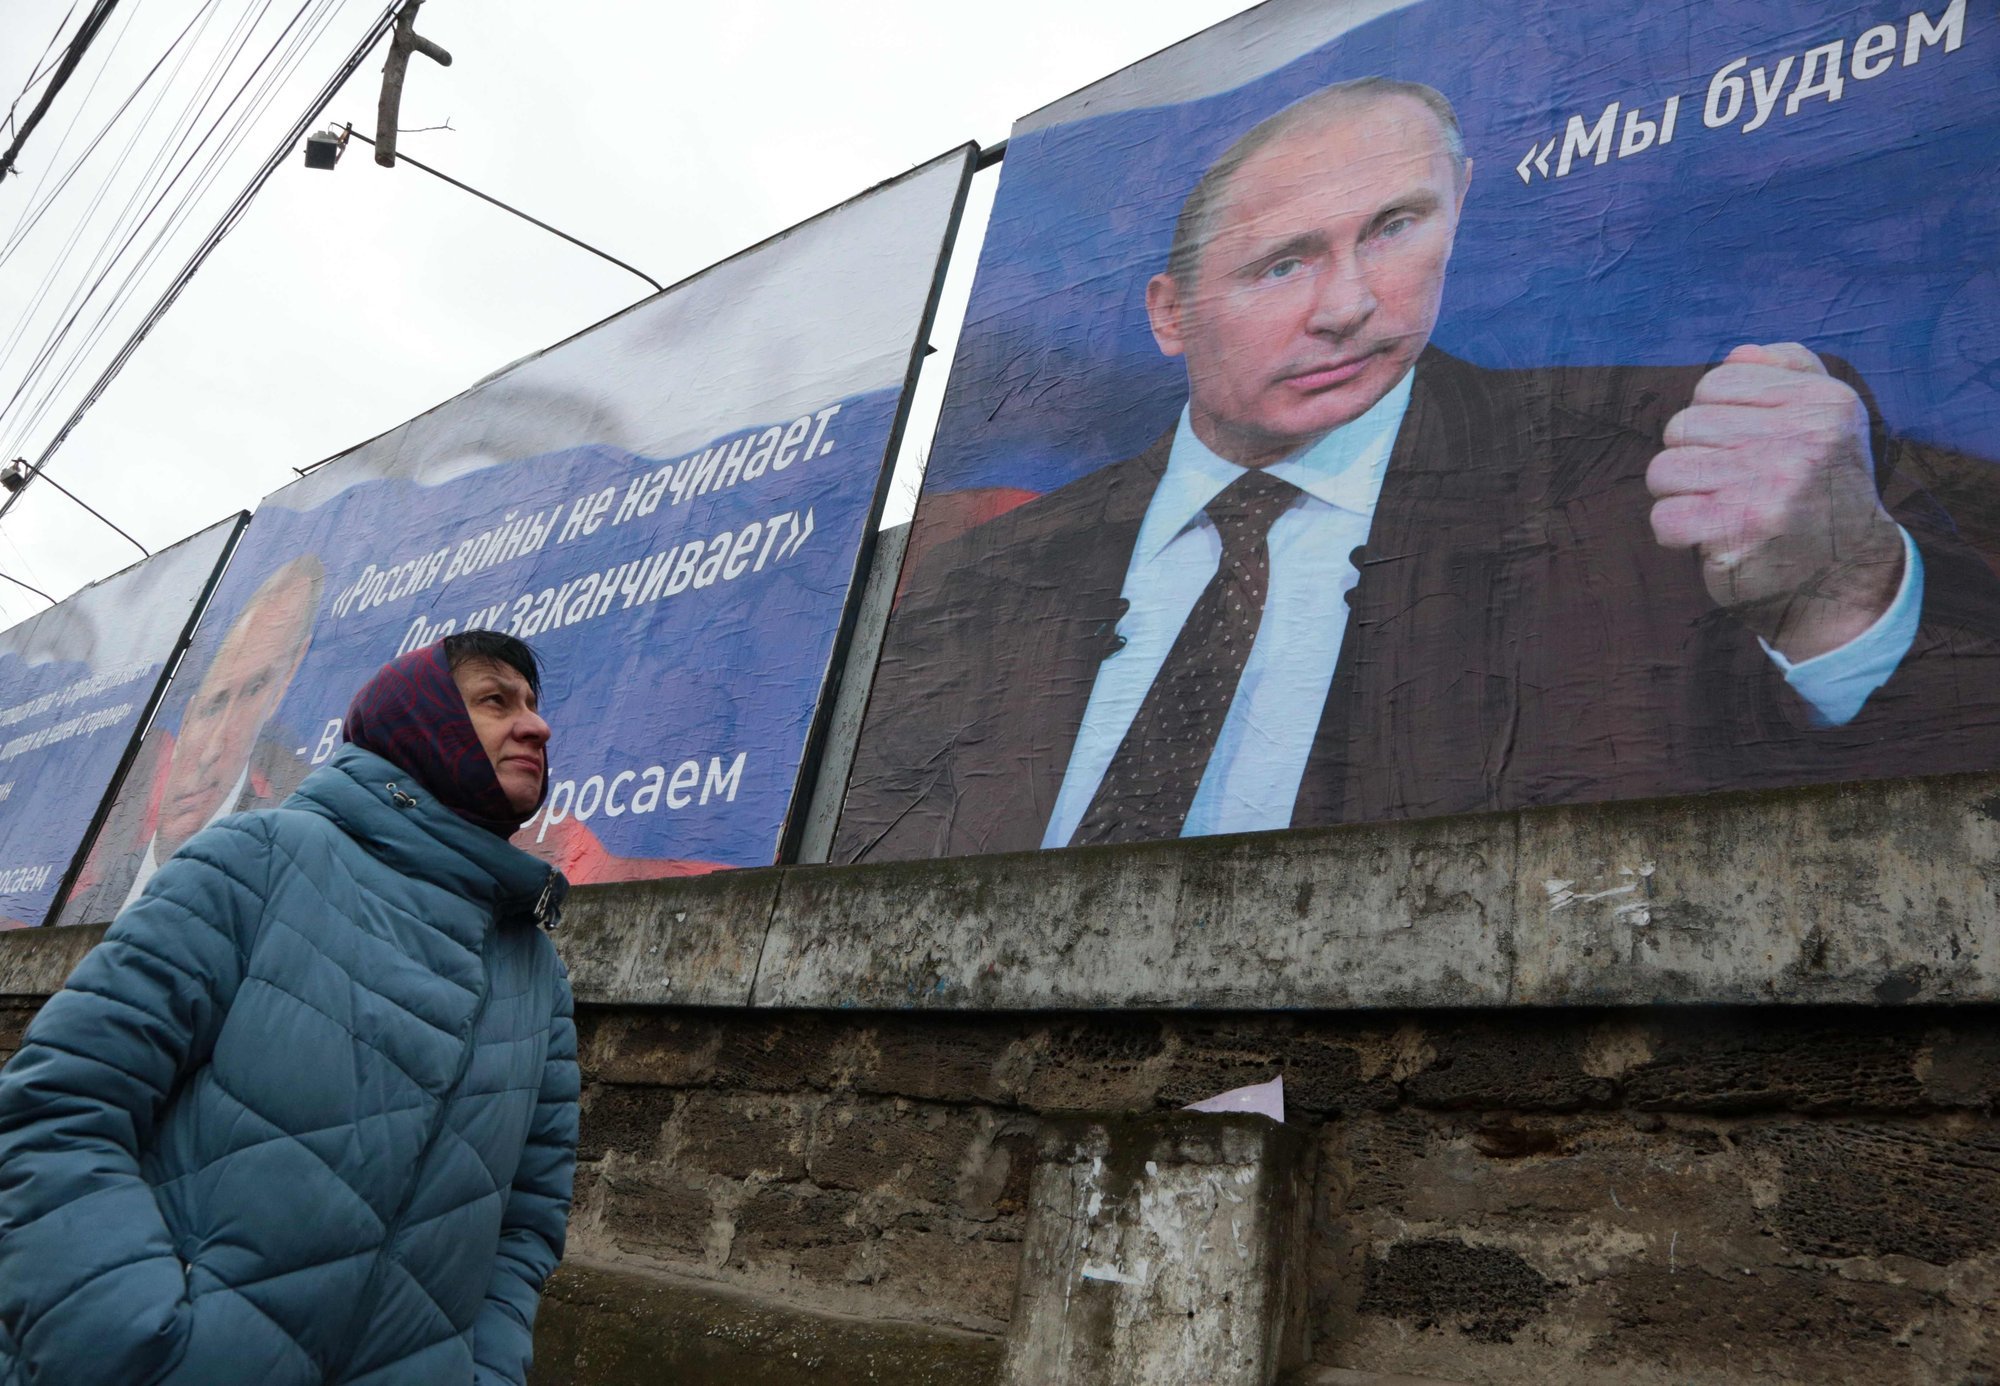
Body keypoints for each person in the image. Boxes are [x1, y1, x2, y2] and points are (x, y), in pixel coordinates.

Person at [837, 76, 2000, 862]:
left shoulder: (1675, 461)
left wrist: (1845, 595)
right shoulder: (985, 578)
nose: (1349, 308)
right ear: (1168, 314)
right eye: (1282, 263)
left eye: (1394, 228)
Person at [0, 631, 576, 1385]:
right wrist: (134, 1349)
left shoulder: (539, 977)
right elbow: (55, 1115)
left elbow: (525, 1228)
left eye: (533, 704)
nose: (536, 725)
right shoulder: (256, 862)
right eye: (496, 701)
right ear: (419, 721)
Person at [62, 554, 324, 923]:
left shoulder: (275, 884)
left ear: (285, 681)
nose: (211, 752)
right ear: (185, 722)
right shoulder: (82, 907)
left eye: (254, 690)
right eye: (213, 707)